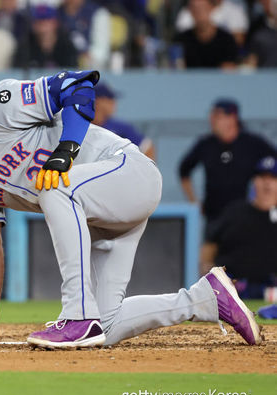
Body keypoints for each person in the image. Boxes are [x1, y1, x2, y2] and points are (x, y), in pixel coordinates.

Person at [0, 71, 261, 348]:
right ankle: (206, 298)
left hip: (128, 172)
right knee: (108, 325)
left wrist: (65, 150)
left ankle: (77, 316)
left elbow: (78, 86)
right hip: (100, 217)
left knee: (52, 188)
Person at [179, 99, 276, 234]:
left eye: (218, 116)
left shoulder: (252, 143)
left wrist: (263, 199)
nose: (212, 120)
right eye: (212, 115)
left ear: (232, 118)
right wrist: (194, 202)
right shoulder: (206, 144)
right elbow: (184, 170)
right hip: (214, 217)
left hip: (247, 217)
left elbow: (271, 168)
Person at [201, 156, 277, 298]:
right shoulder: (234, 212)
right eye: (262, 176)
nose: (267, 182)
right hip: (232, 289)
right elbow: (210, 244)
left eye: (273, 177)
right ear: (254, 181)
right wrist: (207, 271)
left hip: (271, 289)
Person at [92, 82, 155, 160]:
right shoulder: (83, 125)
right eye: (110, 99)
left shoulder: (120, 127)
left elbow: (147, 146)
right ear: (98, 101)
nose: (114, 103)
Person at [173, 0, 238, 69]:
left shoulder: (226, 40)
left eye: (203, 8)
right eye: (195, 8)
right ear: (190, 10)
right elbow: (177, 69)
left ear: (212, 8)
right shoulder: (180, 40)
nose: (199, 13)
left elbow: (228, 71)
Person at [12, 5, 77, 69]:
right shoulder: (26, 45)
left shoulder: (67, 44)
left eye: (47, 21)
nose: (43, 27)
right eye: (39, 22)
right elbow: (18, 72)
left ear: (55, 23)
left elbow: (73, 71)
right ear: (33, 25)